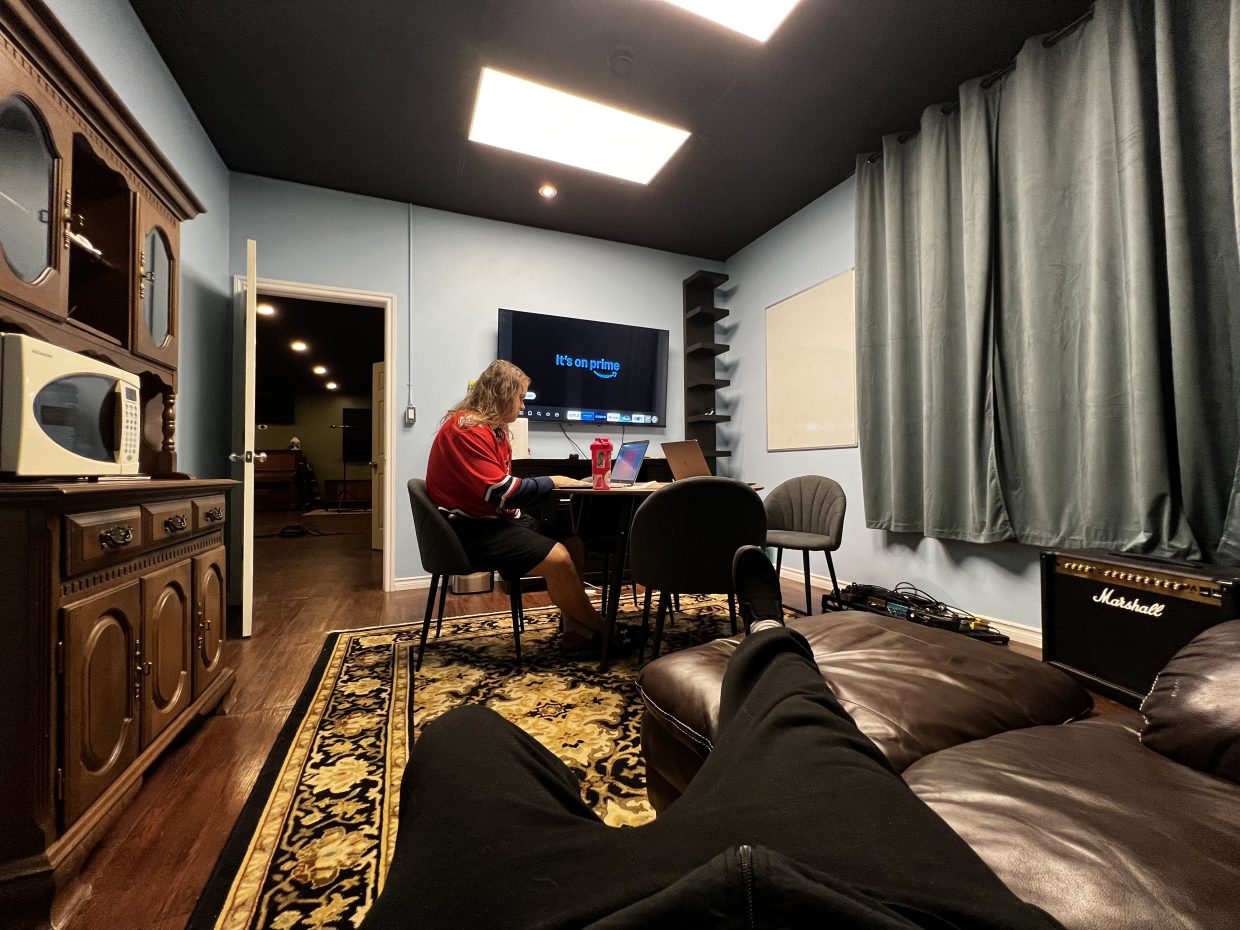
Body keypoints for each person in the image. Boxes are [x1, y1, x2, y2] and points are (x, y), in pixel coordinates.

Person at [360, 546, 1066, 929]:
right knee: (801, 711)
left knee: (460, 733)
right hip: (882, 905)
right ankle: (766, 628)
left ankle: (744, 633)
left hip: (555, 907)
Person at [426, 359, 607, 652]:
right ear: (502, 394)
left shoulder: (493, 431)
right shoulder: (467, 429)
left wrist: (548, 483)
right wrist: (552, 481)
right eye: (520, 397)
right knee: (559, 558)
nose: (522, 406)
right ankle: (602, 628)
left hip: (494, 519)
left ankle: (578, 633)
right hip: (470, 529)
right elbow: (500, 491)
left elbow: (502, 488)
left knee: (573, 544)